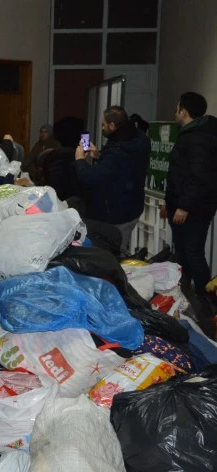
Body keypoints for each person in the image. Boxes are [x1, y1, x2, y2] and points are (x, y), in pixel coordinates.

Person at [162, 92, 217, 326]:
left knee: (192, 253)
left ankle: (206, 304)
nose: (175, 111)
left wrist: (183, 206)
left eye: (177, 107)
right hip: (183, 205)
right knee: (184, 252)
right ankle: (184, 297)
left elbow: (197, 176)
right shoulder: (190, 134)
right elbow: (179, 174)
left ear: (184, 111)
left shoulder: (198, 138)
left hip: (194, 208)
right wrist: (170, 203)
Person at [74, 106, 150, 252]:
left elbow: (88, 177)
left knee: (112, 253)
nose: (102, 128)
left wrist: (79, 160)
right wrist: (99, 155)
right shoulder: (138, 139)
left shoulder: (117, 152)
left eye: (104, 125)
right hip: (132, 206)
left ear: (112, 125)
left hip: (116, 212)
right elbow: (118, 169)